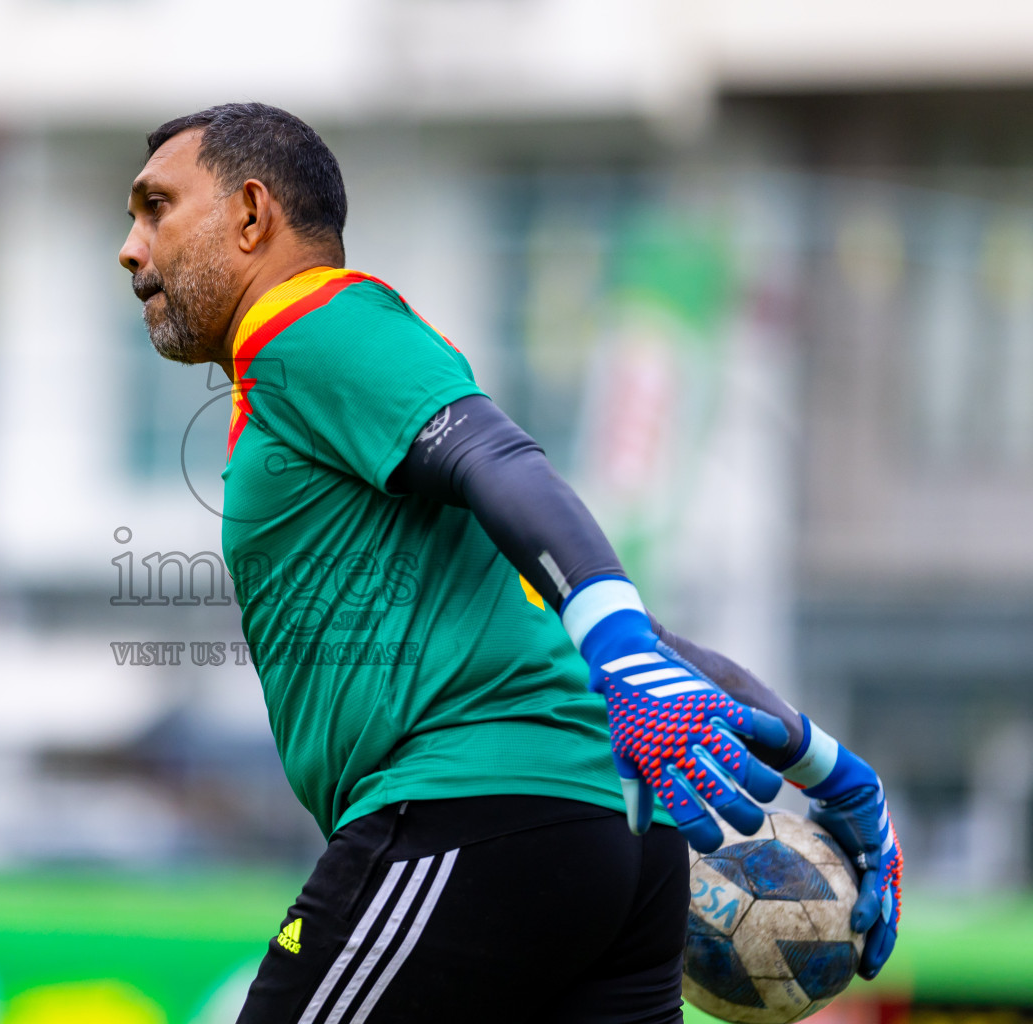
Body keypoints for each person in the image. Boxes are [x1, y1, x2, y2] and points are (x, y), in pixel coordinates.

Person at [117, 102, 901, 1023]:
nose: (132, 248)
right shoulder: (335, 399)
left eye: (156, 207)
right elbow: (564, 610)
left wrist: (626, 657)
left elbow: (500, 460)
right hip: (615, 844)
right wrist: (832, 766)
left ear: (252, 216)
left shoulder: (306, 329)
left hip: (473, 816)